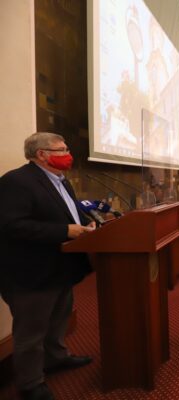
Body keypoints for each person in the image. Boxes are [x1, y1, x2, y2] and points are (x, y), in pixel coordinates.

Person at [0, 132, 95, 400]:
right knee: (31, 332)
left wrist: (87, 223)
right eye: (61, 149)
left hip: (61, 268)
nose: (68, 153)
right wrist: (66, 230)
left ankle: (56, 357)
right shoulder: (16, 182)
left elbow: (68, 212)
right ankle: (30, 383)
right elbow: (12, 226)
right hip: (30, 272)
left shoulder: (62, 182)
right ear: (41, 154)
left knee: (58, 319)